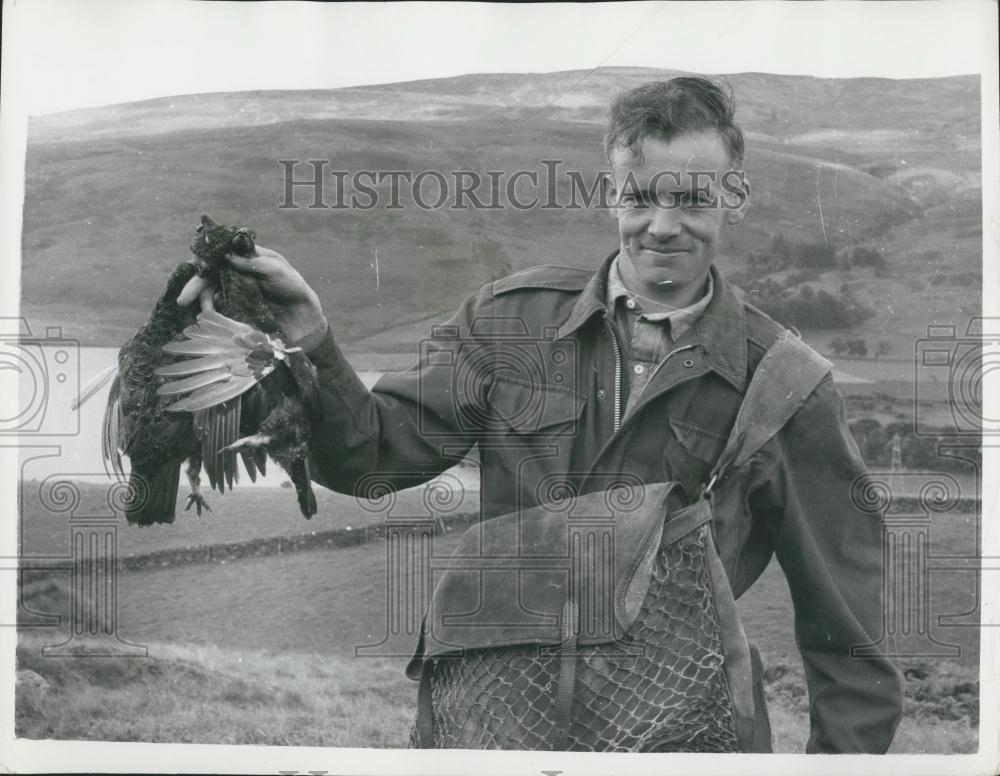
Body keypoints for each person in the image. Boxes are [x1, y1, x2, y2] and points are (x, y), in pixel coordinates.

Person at [179, 76, 903, 753]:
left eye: (692, 199)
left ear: (734, 196)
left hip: (685, 734)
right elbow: (368, 458)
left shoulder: (789, 385)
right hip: (497, 727)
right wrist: (311, 334)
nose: (662, 225)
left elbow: (851, 643)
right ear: (609, 193)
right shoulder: (508, 324)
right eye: (640, 197)